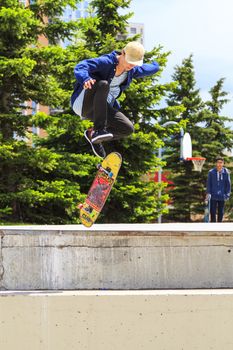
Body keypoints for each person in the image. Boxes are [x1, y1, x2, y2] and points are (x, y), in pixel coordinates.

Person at [71, 41, 160, 158]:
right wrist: (85, 78)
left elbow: (151, 69)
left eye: (134, 65)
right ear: (122, 53)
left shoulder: (132, 71)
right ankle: (99, 130)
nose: (131, 67)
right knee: (103, 84)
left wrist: (156, 64)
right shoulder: (106, 62)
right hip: (83, 103)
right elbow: (81, 66)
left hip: (100, 110)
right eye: (129, 62)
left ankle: (93, 135)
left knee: (127, 128)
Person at [206, 156, 231, 222]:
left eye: (221, 162)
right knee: (212, 212)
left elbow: (228, 184)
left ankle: (219, 225)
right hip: (213, 195)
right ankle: (213, 226)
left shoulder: (226, 172)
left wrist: (227, 194)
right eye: (218, 162)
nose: (219, 164)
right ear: (216, 163)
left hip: (222, 195)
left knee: (221, 211)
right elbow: (208, 184)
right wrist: (208, 193)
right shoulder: (211, 172)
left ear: (223, 163)